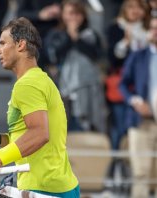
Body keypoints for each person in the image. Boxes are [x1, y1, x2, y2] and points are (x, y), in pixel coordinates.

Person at [0, 17, 79, 198]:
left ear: (21, 45)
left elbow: (39, 134)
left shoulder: (27, 85)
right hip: (56, 186)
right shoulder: (39, 79)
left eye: (3, 43)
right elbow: (30, 137)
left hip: (45, 189)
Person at [45, 0, 106, 132]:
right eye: (70, 13)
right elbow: (52, 56)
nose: (74, 17)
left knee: (88, 126)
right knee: (63, 126)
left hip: (88, 87)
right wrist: (68, 36)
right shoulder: (55, 34)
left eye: (78, 14)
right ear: (63, 15)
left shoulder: (90, 34)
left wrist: (77, 38)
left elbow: (97, 55)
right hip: (62, 87)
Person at [119, 16, 157, 198]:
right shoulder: (139, 56)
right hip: (142, 121)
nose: (155, 32)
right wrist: (135, 101)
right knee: (140, 173)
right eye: (153, 28)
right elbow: (123, 84)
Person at [106, 0, 149, 150]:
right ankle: (115, 167)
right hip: (122, 86)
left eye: (139, 7)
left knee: (140, 130)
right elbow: (112, 59)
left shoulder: (150, 30)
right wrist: (125, 41)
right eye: (131, 7)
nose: (135, 11)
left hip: (143, 88)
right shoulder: (116, 28)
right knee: (120, 128)